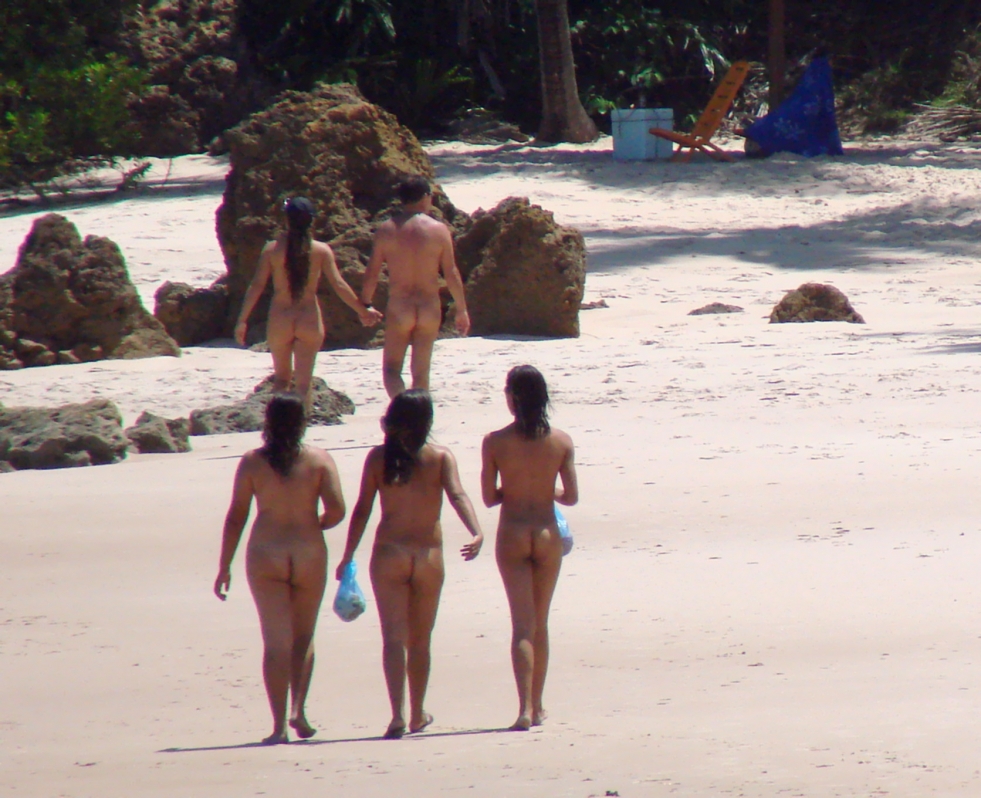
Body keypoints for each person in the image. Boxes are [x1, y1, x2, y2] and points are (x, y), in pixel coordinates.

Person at [335, 389, 484, 739]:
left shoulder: (378, 459)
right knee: (421, 640)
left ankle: (397, 715)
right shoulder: (440, 457)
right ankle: (417, 713)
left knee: (392, 638)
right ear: (426, 422)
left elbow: (363, 509)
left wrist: (348, 554)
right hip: (427, 554)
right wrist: (476, 531)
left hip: (389, 553)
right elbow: (458, 495)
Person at [214, 393, 347, 744]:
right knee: (304, 636)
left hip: (266, 552)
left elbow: (236, 516)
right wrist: (314, 524)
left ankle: (278, 727)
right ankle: (299, 710)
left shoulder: (252, 463)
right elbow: (337, 510)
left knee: (275, 643)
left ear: (268, 422)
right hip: (307, 550)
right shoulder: (319, 460)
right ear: (302, 423)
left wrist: (224, 565)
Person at [481, 365, 578, 731]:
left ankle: (523, 708)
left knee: (521, 625)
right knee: (541, 623)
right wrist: (544, 489)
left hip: (513, 532)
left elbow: (490, 498)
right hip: (546, 533)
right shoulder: (561, 442)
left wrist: (514, 487)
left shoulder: (495, 442)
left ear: (512, 397)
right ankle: (538, 707)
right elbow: (570, 496)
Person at [235, 196, 383, 405]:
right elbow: (339, 285)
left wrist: (242, 320)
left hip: (281, 318)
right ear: (311, 221)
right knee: (304, 385)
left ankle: (279, 423)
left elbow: (257, 285)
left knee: (281, 381)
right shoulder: (321, 250)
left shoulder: (271, 249)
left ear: (286, 219)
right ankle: (300, 423)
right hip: (308, 318)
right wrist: (363, 310)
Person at [362, 176, 471, 398]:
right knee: (421, 374)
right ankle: (419, 414)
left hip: (400, 305)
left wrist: (365, 304)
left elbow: (372, 272)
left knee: (391, 370)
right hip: (429, 307)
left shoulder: (387, 230)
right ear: (424, 197)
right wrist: (462, 309)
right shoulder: (439, 230)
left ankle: (402, 409)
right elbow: (451, 272)